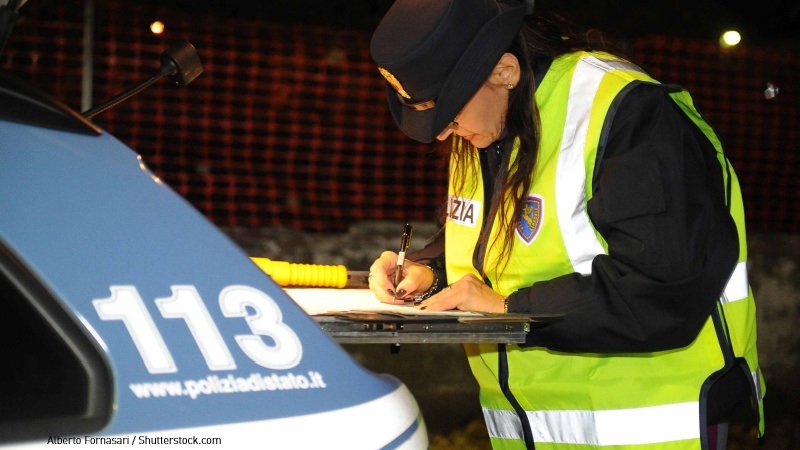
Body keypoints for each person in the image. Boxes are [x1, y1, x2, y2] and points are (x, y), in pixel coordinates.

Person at [366, 0, 766, 448]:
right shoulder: (487, 119)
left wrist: (507, 309)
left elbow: (661, 282)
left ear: (504, 71)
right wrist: (429, 271)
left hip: (650, 430)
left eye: (448, 114)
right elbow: (494, 234)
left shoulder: (628, 114)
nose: (441, 133)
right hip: (532, 432)